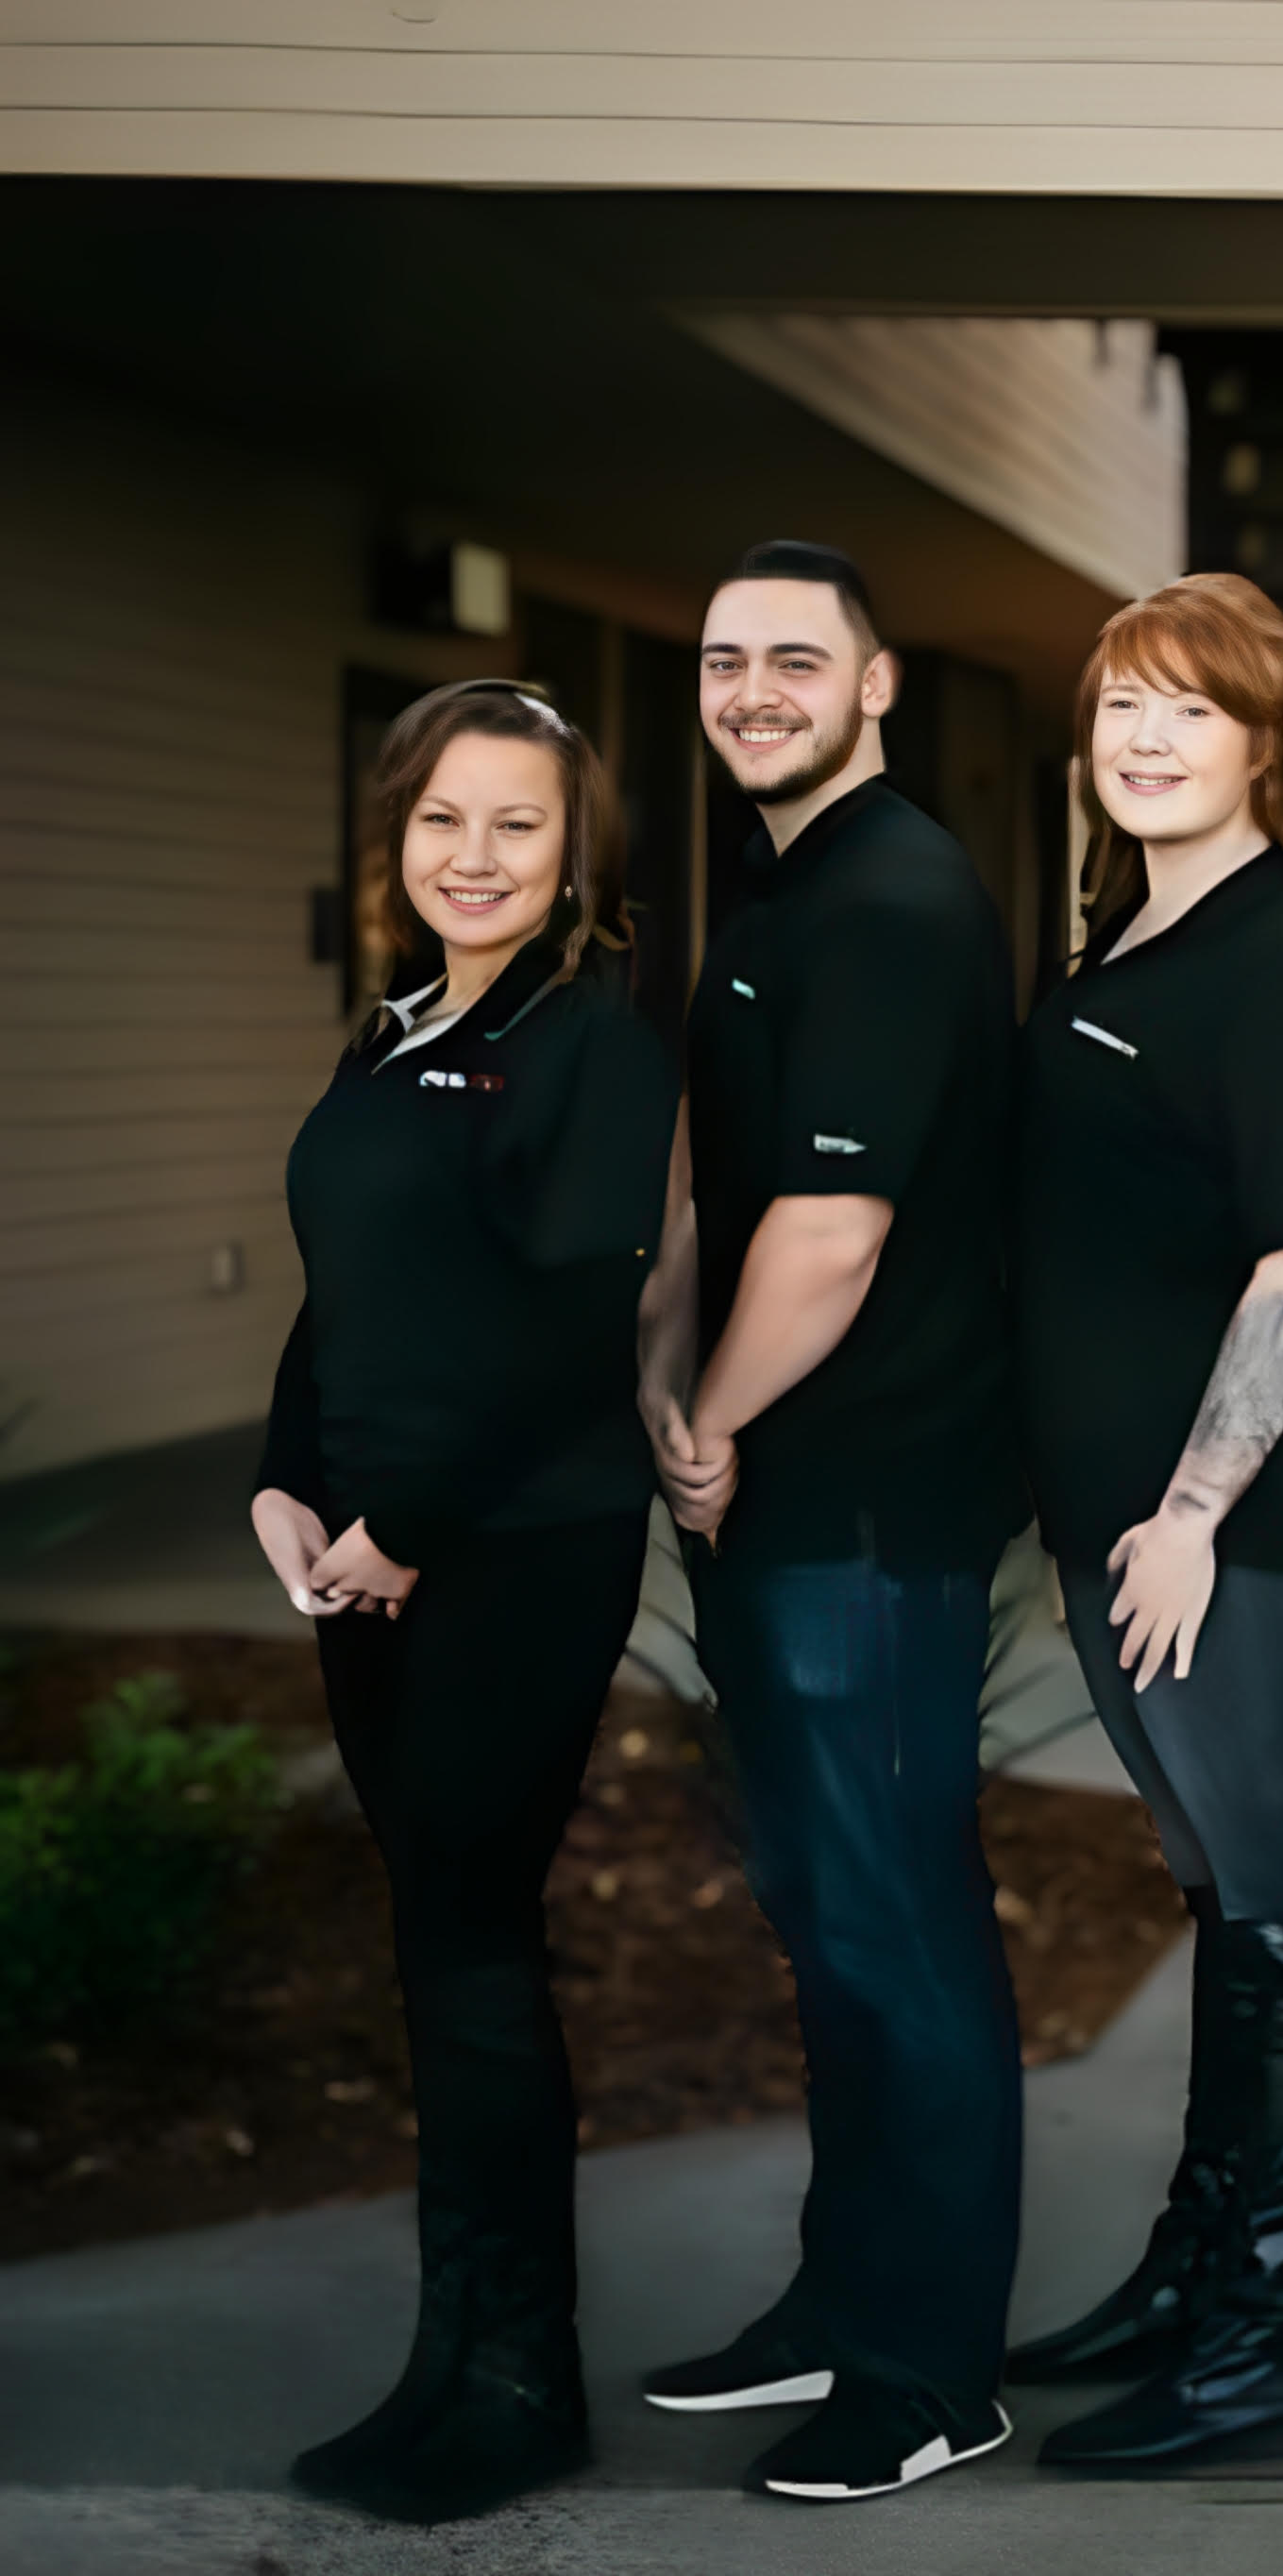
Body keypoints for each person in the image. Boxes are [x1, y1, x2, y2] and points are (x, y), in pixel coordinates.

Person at [635, 541, 1031, 2503]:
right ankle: (846, 2294)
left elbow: (834, 1226)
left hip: (870, 1499)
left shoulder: (888, 899)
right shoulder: (782, 887)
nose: (755, 689)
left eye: (798, 658)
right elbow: (721, 1176)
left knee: (897, 1925)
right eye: (727, 660)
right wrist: (669, 1371)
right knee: (825, 1919)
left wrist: (705, 1418)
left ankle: (929, 2367)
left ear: (876, 685)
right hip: (782, 1494)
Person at [254, 680, 674, 2525]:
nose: (475, 855)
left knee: (480, 1943)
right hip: (365, 1550)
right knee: (435, 1937)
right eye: (444, 818)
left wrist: (406, 1520)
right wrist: (285, 1470)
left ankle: (524, 2383)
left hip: (512, 1550)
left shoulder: (594, 1043)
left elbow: (565, 1319)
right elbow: (345, 1281)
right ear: (398, 835)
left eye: (517, 823)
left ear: (575, 851)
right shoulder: (397, 1024)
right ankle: (448, 2356)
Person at [999, 575, 1283, 2473]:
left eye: (1190, 708)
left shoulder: (1277, 963)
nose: (1146, 739)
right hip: (1113, 1519)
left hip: (1211, 1533)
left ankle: (1254, 2356)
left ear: (1266, 746)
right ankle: (1193, 2276)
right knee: (1228, 1902)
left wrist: (1186, 1508)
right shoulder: (1129, 937)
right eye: (1121, 708)